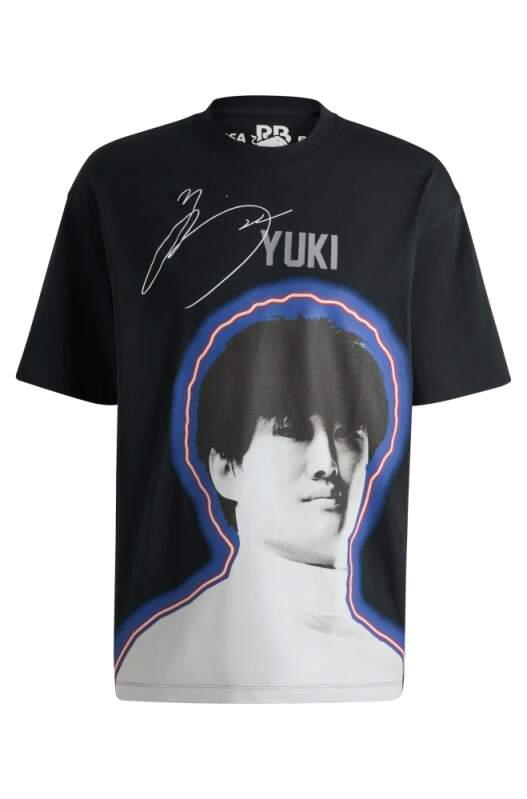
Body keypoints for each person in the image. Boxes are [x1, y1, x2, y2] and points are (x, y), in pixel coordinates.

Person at [117, 316, 403, 697]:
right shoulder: (158, 656)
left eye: (349, 433)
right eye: (291, 430)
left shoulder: (383, 667)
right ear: (226, 469)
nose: (326, 464)